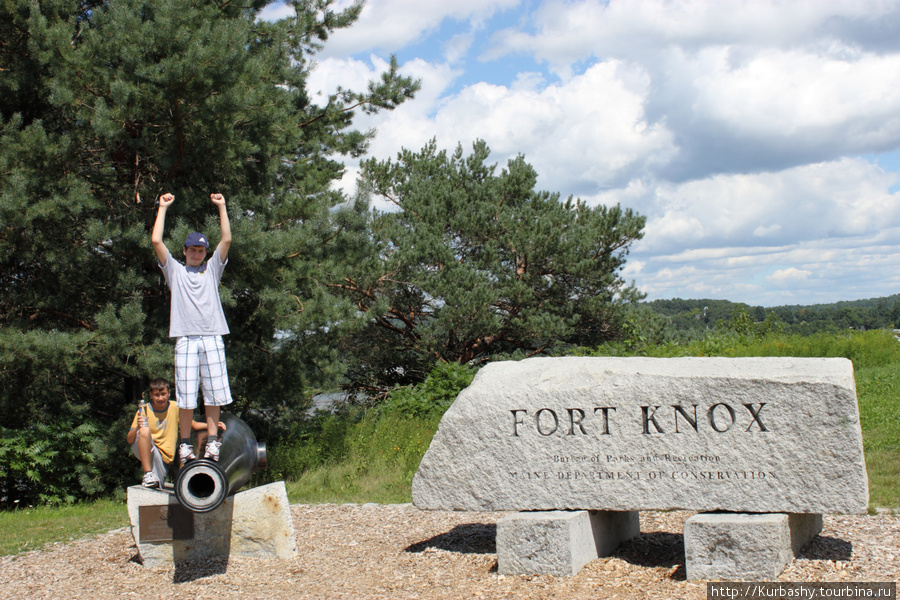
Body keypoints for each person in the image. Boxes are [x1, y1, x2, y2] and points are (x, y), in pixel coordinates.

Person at [152, 191, 233, 465]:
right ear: (184, 251)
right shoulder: (175, 271)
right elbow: (155, 240)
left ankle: (212, 443)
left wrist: (221, 207)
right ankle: (184, 444)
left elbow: (227, 239)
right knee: (186, 395)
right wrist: (163, 208)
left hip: (211, 336)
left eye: (201, 250)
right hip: (186, 338)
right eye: (192, 249)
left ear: (205, 253)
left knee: (213, 394)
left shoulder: (211, 270)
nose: (197, 254)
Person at [126, 379, 216, 488]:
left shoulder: (175, 407)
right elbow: (130, 439)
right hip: (148, 448)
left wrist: (213, 425)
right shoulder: (143, 410)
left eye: (163, 394)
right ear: (151, 395)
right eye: (156, 395)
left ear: (169, 393)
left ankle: (152, 478)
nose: (160, 398)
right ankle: (148, 473)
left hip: (164, 457)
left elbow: (194, 425)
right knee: (144, 430)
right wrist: (137, 427)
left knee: (156, 488)